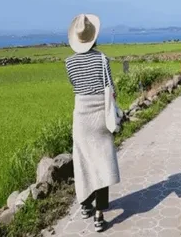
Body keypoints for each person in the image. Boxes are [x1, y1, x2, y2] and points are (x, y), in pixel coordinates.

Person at [65, 14, 120, 233]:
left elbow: (75, 86)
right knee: (103, 163)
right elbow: (111, 88)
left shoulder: (68, 63)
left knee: (84, 162)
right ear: (93, 37)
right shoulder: (101, 59)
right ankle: (99, 216)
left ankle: (85, 206)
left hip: (81, 118)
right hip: (99, 117)